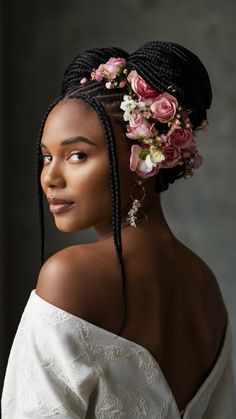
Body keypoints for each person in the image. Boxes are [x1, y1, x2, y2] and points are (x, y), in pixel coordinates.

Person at [1, 41, 236, 418]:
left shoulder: (69, 277)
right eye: (46, 157)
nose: (50, 177)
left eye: (76, 155)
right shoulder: (205, 284)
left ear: (142, 158)